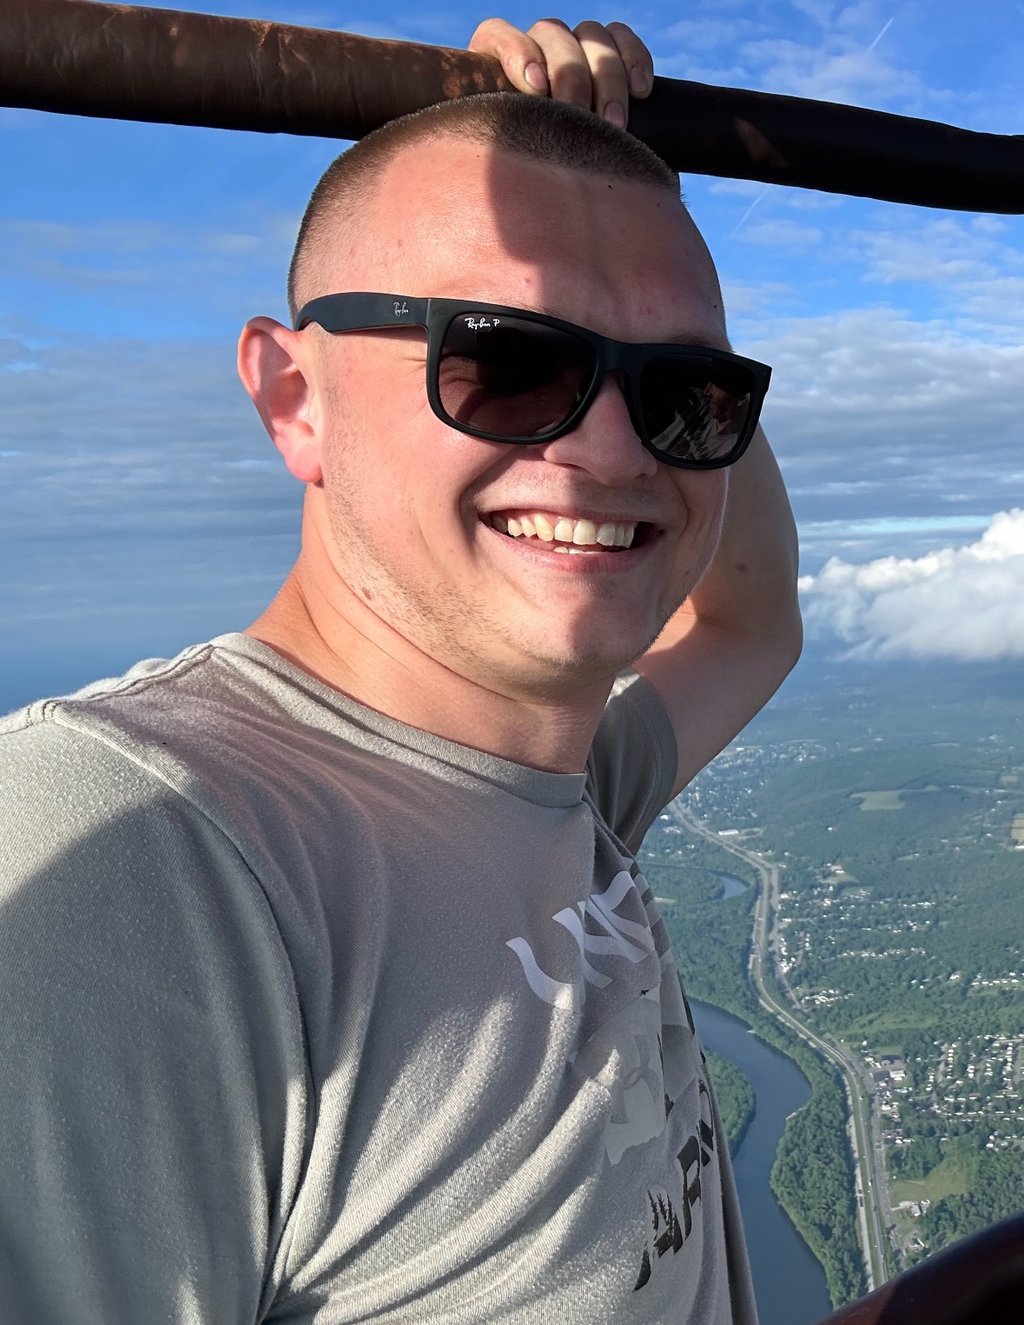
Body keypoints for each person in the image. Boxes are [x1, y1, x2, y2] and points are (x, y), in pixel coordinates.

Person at [0, 18, 800, 1325]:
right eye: (509, 361)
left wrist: (641, 235)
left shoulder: (565, 781)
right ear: (292, 395)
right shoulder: (133, 856)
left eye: (681, 395)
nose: (612, 451)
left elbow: (750, 623)